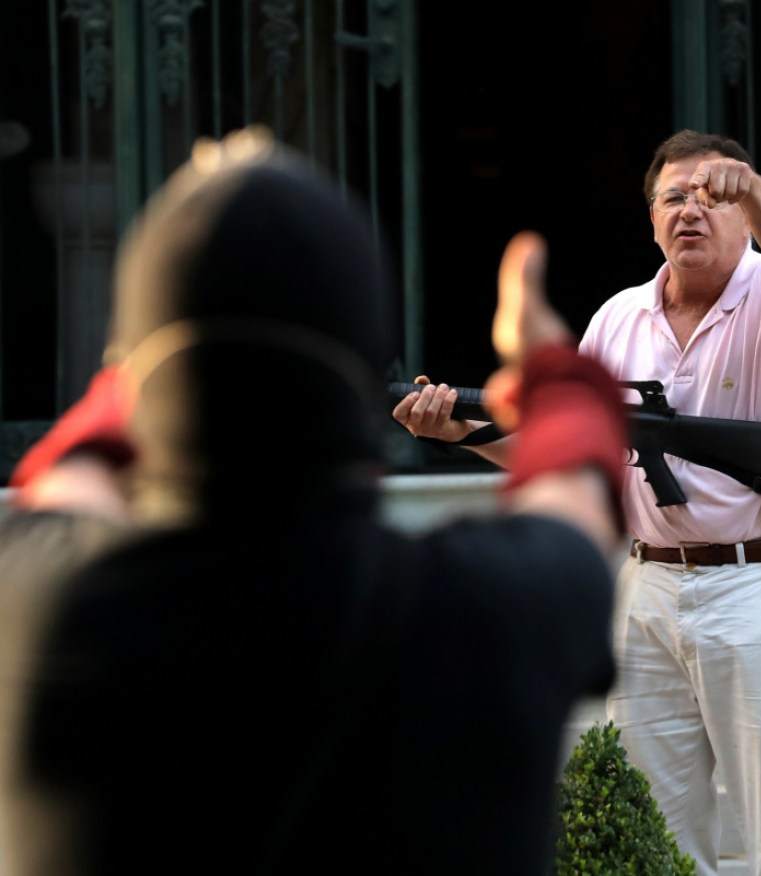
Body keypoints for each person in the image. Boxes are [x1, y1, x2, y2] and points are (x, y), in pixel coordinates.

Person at [0, 128, 629, 875]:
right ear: (365, 372)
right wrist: (553, 372)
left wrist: (160, 325)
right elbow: (581, 481)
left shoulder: (36, 597)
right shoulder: (484, 609)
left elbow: (76, 463)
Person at [394, 130, 761, 875]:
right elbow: (569, 452)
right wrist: (460, 431)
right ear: (651, 220)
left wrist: (758, 189)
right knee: (651, 821)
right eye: (673, 199)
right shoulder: (618, 317)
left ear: (743, 212)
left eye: (710, 196)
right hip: (648, 586)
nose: (690, 211)